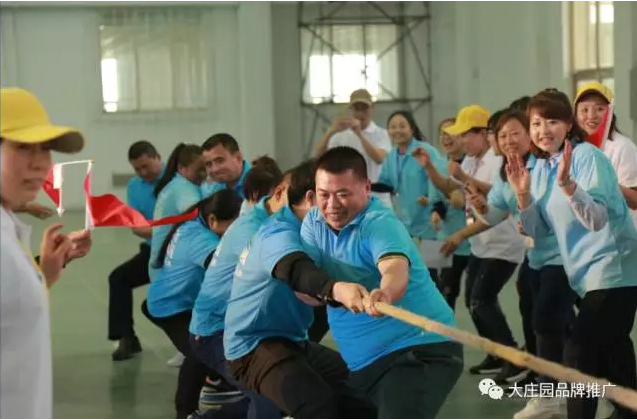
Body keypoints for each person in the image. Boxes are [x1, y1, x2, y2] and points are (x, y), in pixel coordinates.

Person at [301, 146, 463, 418]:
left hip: (418, 349)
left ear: (366, 188)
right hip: (362, 364)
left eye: (343, 194)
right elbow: (307, 291)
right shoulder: (314, 223)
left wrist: (385, 294)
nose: (332, 205)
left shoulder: (379, 223)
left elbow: (394, 268)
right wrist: (331, 291)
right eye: (324, 194)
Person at [508, 88, 637, 419]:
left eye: (553, 121)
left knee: (579, 353)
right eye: (536, 123)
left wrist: (568, 186)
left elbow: (596, 220)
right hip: (584, 276)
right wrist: (523, 196)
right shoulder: (541, 168)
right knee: (613, 358)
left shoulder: (586, 157)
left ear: (568, 125)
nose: (543, 130)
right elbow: (540, 231)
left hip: (615, 269)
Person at [223, 159, 376, 418]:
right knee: (315, 404)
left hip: (292, 340)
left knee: (361, 392)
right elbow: (295, 269)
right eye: (328, 196)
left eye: (343, 195)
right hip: (252, 345)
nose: (339, 205)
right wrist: (336, 289)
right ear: (310, 198)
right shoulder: (277, 232)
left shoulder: (317, 231)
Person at [467, 109, 576, 417]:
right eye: (502, 136)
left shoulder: (545, 165)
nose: (509, 140)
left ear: (529, 135)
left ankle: (551, 393)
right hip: (536, 257)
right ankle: (570, 383)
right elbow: (494, 215)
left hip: (563, 256)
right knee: (550, 321)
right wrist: (481, 207)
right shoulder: (505, 174)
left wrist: (529, 217)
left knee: (545, 320)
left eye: (515, 132)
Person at [1, 87, 93, 418]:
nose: (40, 163)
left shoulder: (7, 225)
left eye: (45, 150)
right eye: (23, 147)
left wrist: (44, 274)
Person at [416, 105, 526, 375]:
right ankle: (496, 354)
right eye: (455, 135)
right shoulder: (468, 161)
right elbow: (448, 187)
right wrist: (429, 167)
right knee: (472, 302)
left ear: (483, 134)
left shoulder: (495, 162)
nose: (458, 140)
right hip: (476, 244)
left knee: (480, 300)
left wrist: (465, 181)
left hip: (500, 244)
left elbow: (499, 199)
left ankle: (512, 356)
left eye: (465, 134)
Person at [190, 169, 290, 419]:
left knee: (277, 390)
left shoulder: (262, 218)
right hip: (216, 332)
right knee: (267, 391)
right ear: (279, 193)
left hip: (238, 328)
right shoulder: (252, 229)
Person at [143, 189, 242, 418]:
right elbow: (225, 271)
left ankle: (216, 381)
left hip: (176, 302)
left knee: (214, 341)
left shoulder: (191, 224)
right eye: (232, 226)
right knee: (199, 351)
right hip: (170, 308)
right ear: (212, 219)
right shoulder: (202, 239)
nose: (235, 232)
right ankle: (185, 411)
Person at [109, 140, 164, 361]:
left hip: (180, 253)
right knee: (118, 278)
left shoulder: (176, 179)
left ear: (158, 157)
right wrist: (164, 231)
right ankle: (127, 338)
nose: (142, 173)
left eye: (146, 166)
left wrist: (153, 229)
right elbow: (136, 227)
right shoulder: (134, 186)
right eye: (137, 169)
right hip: (153, 251)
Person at [377, 110, 443, 281]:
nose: (397, 130)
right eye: (393, 127)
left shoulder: (426, 151)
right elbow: (387, 183)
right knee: (413, 273)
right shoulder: (391, 156)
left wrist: (434, 205)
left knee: (434, 275)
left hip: (431, 222)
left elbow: (439, 180)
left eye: (402, 126)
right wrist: (364, 184)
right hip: (406, 225)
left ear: (411, 128)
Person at [313, 88, 392, 208]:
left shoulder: (382, 134)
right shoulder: (341, 136)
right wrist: (330, 131)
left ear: (372, 108)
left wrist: (360, 135)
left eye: (364, 108)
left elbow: (379, 158)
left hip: (377, 196)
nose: (360, 113)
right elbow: (318, 157)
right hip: (350, 198)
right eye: (356, 109)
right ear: (351, 110)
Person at [426, 118, 470, 309]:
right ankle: (439, 327)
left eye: (451, 132)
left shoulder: (473, 164)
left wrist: (462, 201)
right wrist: (437, 212)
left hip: (468, 240)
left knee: (468, 296)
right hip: (442, 236)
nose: (446, 137)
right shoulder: (439, 165)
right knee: (434, 291)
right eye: (442, 134)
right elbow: (435, 198)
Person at [573, 81, 637, 211]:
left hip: (616, 223)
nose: (591, 116)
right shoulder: (571, 148)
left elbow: (635, 201)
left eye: (600, 109)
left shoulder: (623, 147)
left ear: (610, 113)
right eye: (584, 110)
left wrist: (607, 183)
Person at [200, 133, 251, 200]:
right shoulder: (209, 189)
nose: (215, 169)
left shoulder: (261, 183)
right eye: (208, 164)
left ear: (238, 158)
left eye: (220, 161)